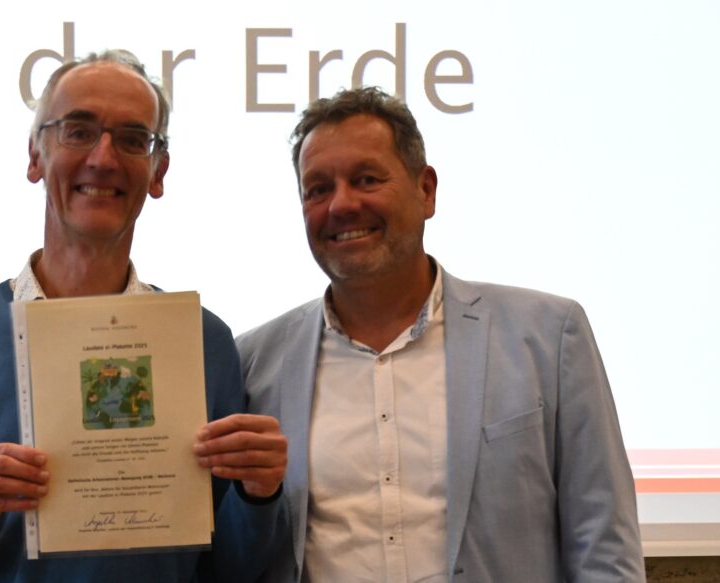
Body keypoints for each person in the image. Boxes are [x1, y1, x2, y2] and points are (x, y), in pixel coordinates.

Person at [0, 50, 287, 583]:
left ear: (158, 171)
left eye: (133, 139)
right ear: (35, 157)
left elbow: (232, 571)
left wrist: (258, 495)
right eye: (77, 132)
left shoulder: (203, 341)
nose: (103, 158)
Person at [234, 87, 645, 582]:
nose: (341, 205)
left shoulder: (549, 337)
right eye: (317, 189)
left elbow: (604, 548)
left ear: (425, 190)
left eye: (366, 179)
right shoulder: (254, 364)